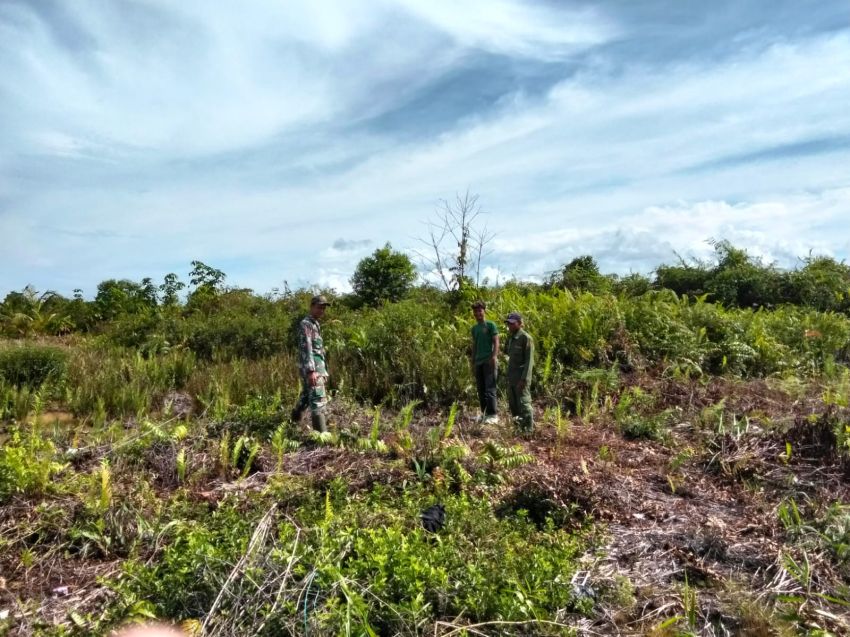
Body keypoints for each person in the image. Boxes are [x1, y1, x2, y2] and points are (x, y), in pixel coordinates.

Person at [290, 295, 331, 432]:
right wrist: (311, 371)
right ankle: (322, 437)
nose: (322, 310)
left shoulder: (315, 324)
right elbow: (307, 347)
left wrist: (324, 370)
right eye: (319, 307)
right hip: (312, 369)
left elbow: (318, 350)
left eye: (323, 308)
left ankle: (292, 422)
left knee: (307, 396)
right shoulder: (306, 324)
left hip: (318, 368)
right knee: (318, 399)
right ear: (312, 306)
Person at [504, 311, 534, 432]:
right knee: (514, 404)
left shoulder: (526, 338)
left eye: (512, 323)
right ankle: (518, 429)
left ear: (520, 323)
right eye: (509, 324)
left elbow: (529, 362)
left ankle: (528, 430)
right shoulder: (511, 338)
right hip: (512, 377)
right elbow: (507, 355)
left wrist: (524, 379)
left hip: (521, 378)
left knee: (524, 403)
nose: (510, 326)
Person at [470, 300, 499, 424]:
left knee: (490, 388)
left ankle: (493, 415)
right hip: (478, 362)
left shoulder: (491, 325)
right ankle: (485, 413)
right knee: (481, 389)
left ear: (484, 311)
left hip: (488, 361)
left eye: (479, 311)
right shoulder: (474, 329)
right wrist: (472, 360)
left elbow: (496, 341)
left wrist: (494, 357)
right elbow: (475, 345)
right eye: (475, 311)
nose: (478, 313)